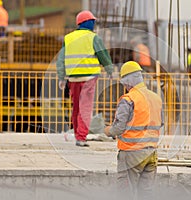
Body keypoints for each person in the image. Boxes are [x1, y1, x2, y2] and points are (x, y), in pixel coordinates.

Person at [104, 61, 163, 200]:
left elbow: (118, 128)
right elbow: (160, 123)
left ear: (129, 80)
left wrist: (107, 131)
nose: (124, 86)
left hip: (131, 154)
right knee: (146, 194)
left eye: (124, 82)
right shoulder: (156, 98)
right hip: (151, 153)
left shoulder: (129, 99)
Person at [56, 10, 113, 147]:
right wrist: (110, 70)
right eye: (92, 21)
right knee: (85, 108)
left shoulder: (68, 38)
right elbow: (103, 55)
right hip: (89, 77)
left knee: (76, 108)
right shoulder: (93, 38)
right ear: (88, 23)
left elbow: (61, 59)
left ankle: (78, 135)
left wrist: (62, 77)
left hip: (73, 79)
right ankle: (81, 137)